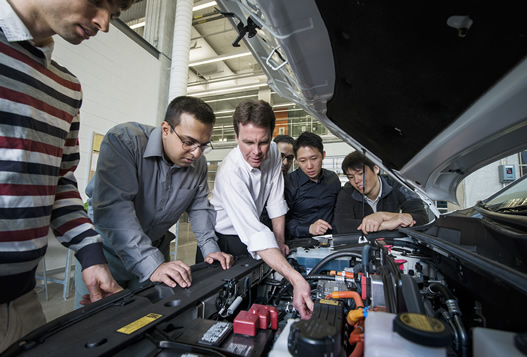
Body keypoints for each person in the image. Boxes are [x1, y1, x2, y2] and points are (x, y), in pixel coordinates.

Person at [0, 0, 134, 352]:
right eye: (98, 2)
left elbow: (60, 181)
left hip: (23, 301)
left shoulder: (66, 87)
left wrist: (91, 254)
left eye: (115, 14)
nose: (104, 23)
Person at [74, 96, 234, 308]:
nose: (196, 153)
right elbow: (115, 209)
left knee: (150, 321)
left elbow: (199, 207)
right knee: (97, 326)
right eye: (188, 142)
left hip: (155, 250)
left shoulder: (199, 164)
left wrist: (210, 248)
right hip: (107, 255)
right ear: (166, 129)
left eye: (203, 145)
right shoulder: (125, 141)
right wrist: (153, 265)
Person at [210, 99, 314, 319]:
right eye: (248, 142)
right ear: (236, 137)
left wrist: (279, 240)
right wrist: (295, 278)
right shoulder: (230, 172)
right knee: (227, 306)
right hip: (226, 240)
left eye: (263, 142)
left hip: (254, 230)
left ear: (271, 135)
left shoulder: (274, 152)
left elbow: (276, 200)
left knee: (256, 295)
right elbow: (254, 232)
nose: (256, 151)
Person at [334, 150, 430, 234]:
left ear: (376, 168)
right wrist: (388, 225)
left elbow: (422, 219)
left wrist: (382, 216)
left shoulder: (398, 186)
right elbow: (342, 226)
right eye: (350, 177)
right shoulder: (347, 192)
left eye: (361, 174)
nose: (356, 180)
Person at [285, 132, 341, 238]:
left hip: (332, 240)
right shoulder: (289, 183)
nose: (309, 166)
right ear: (296, 160)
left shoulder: (332, 178)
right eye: (302, 161)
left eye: (314, 158)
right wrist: (309, 228)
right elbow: (282, 222)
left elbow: (339, 211)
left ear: (323, 155)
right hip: (301, 242)